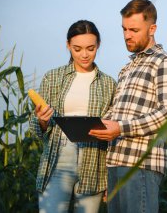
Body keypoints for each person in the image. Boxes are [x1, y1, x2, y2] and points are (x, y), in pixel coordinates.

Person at [89, 0, 167, 212]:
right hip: (115, 165)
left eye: (133, 29)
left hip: (141, 165)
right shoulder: (127, 68)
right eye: (124, 29)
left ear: (152, 29)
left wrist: (120, 128)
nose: (126, 35)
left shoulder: (164, 62)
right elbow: (116, 114)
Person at [29, 20, 117, 213]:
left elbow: (113, 134)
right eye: (77, 49)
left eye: (90, 48)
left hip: (94, 163)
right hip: (58, 159)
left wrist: (111, 178)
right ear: (68, 45)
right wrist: (42, 120)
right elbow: (36, 127)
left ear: (98, 45)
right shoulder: (52, 78)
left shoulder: (110, 84)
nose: (84, 54)